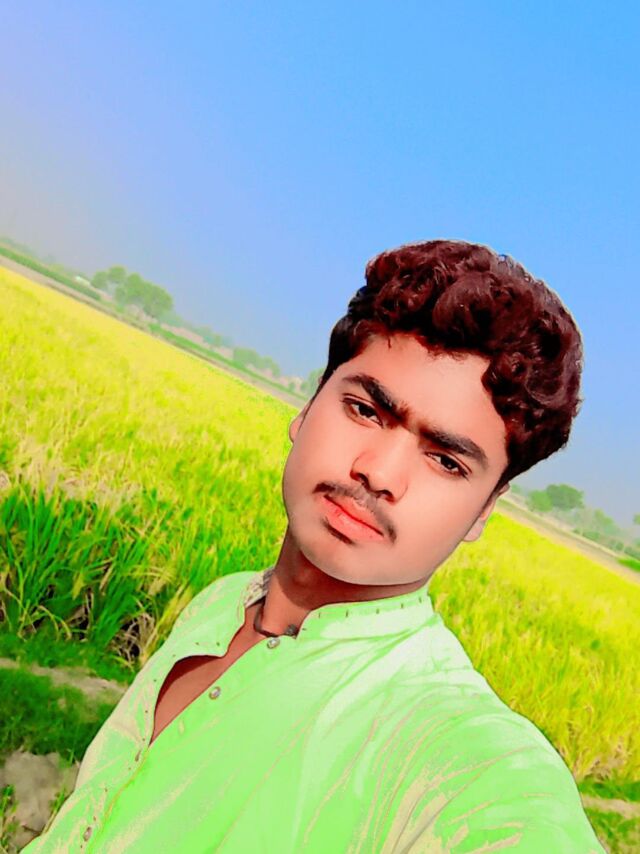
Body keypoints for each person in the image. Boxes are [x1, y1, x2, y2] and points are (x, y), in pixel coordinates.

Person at [24, 239, 605, 852]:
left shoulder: (454, 749)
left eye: (446, 461)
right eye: (366, 410)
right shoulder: (222, 604)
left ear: (483, 511)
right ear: (307, 408)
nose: (378, 472)